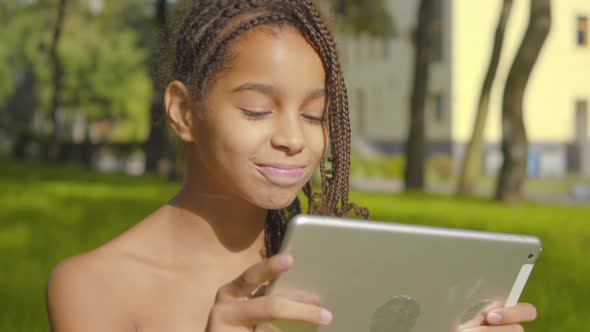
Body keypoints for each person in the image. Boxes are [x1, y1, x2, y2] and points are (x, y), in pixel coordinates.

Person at [46, 1, 538, 331]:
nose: (292, 139)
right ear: (183, 112)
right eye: (256, 110)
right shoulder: (94, 286)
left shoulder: (355, 273)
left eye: (313, 115)